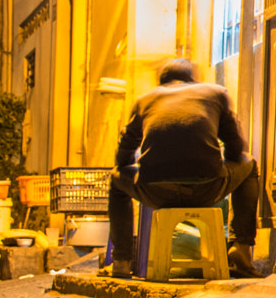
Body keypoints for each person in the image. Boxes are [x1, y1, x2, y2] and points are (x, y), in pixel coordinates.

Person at [107, 57, 263, 279]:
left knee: (116, 179)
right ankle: (242, 251)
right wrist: (218, 164)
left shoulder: (145, 100)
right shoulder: (215, 93)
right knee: (249, 164)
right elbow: (235, 147)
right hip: (208, 189)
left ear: (163, 82)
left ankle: (121, 262)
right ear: (191, 79)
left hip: (156, 193)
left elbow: (122, 157)